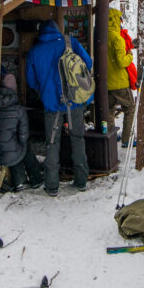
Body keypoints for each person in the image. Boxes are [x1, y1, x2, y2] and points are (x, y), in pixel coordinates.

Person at [26, 19, 93, 196]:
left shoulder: (35, 51)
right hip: (74, 101)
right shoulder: (71, 42)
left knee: (52, 144)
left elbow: (31, 81)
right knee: (77, 139)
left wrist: (45, 87)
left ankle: (52, 185)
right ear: (58, 30)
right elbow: (88, 63)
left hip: (51, 105)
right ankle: (80, 180)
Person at [0, 72, 43, 191]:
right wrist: (22, 142)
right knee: (23, 148)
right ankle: (33, 178)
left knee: (12, 147)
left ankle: (21, 180)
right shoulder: (19, 110)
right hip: (12, 150)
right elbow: (24, 134)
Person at [106, 8, 136, 147]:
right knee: (130, 108)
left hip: (106, 81)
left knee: (109, 110)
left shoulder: (101, 35)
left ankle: (111, 136)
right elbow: (121, 62)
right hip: (119, 81)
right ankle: (126, 139)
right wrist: (130, 56)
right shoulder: (117, 38)